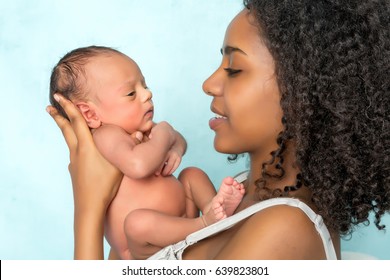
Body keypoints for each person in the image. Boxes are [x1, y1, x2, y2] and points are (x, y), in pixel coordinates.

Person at [47, 0, 390, 260]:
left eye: (235, 69)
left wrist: (89, 208)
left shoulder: (283, 229)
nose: (209, 84)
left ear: (306, 92)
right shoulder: (240, 193)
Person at [48, 46, 245, 260]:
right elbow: (137, 166)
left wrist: (175, 146)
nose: (147, 94)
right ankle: (206, 223)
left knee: (191, 174)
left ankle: (215, 209)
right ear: (90, 113)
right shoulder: (106, 136)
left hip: (182, 220)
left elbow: (178, 140)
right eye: (131, 93)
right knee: (137, 223)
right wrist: (165, 132)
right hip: (143, 246)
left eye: (145, 85)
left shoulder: (141, 128)